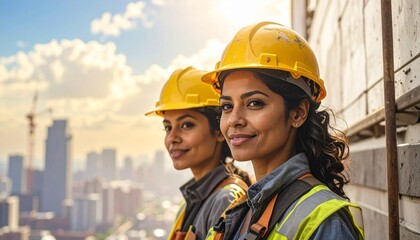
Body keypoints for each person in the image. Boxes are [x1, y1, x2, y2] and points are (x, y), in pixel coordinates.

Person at [202, 22, 365, 239]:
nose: (234, 120)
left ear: (297, 113)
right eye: (226, 106)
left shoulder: (323, 221)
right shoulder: (239, 210)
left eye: (254, 103)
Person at [145, 66, 252, 240]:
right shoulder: (193, 199)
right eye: (167, 127)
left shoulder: (225, 200)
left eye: (186, 125)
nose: (172, 138)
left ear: (218, 131)